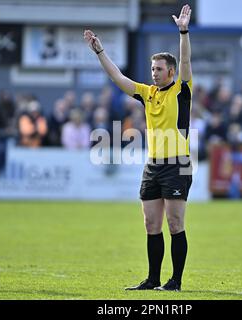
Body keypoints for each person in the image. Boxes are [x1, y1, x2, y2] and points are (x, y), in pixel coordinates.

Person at [84, 4, 193, 292]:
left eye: (158, 69)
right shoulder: (147, 93)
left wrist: (183, 31)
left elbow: (185, 62)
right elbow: (118, 78)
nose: (154, 73)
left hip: (178, 163)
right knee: (150, 224)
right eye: (152, 69)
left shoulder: (182, 89)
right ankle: (153, 279)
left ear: (170, 71)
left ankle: (175, 282)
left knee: (175, 223)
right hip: (153, 164)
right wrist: (99, 52)